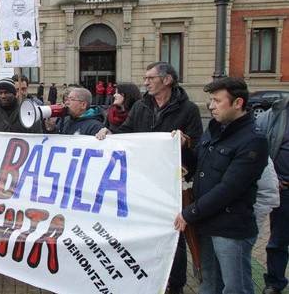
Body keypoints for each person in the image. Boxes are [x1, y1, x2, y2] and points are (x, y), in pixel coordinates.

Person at [96, 62, 202, 294]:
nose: (145, 82)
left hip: (172, 184)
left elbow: (198, 145)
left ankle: (175, 285)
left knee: (174, 235)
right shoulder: (141, 107)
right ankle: (146, 277)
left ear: (167, 80)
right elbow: (127, 132)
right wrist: (110, 133)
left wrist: (186, 142)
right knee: (143, 230)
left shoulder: (189, 110)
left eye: (150, 78)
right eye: (145, 78)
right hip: (143, 181)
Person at [175, 77, 268, 294]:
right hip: (206, 222)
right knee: (209, 284)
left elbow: (230, 188)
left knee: (235, 288)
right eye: (210, 100)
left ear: (238, 103)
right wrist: (182, 147)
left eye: (217, 100)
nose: (211, 105)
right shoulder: (215, 129)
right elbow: (197, 163)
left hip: (230, 228)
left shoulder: (253, 140)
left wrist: (190, 213)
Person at [256, 93, 289, 294]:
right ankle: (274, 283)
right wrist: (271, 179)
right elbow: (260, 147)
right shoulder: (276, 113)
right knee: (278, 240)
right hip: (284, 189)